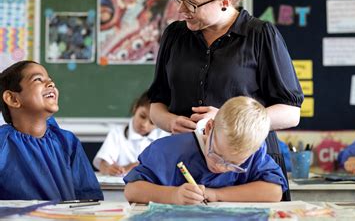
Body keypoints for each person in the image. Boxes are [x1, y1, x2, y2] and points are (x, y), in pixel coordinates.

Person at [147, 0, 303, 201]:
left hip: (249, 169)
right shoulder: (175, 35)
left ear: (226, 1)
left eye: (193, 3)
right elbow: (156, 106)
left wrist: (230, 121)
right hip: (187, 166)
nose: (181, 10)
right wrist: (171, 121)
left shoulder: (260, 35)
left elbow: (291, 113)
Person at [124, 96, 288, 204]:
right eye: (217, 155)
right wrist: (173, 195)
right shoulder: (169, 150)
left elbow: (274, 191)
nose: (220, 167)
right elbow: (132, 190)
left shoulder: (253, 154)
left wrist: (216, 195)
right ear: (209, 127)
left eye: (233, 165)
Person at [0, 60, 103, 200]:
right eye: (38, 79)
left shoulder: (67, 142)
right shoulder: (2, 144)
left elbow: (89, 197)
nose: (51, 84)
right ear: (12, 99)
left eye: (50, 80)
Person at [93, 91, 169, 176]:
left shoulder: (164, 137)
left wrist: (136, 166)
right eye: (142, 116)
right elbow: (103, 164)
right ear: (135, 107)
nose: (144, 124)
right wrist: (108, 169)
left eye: (152, 122)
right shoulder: (117, 133)